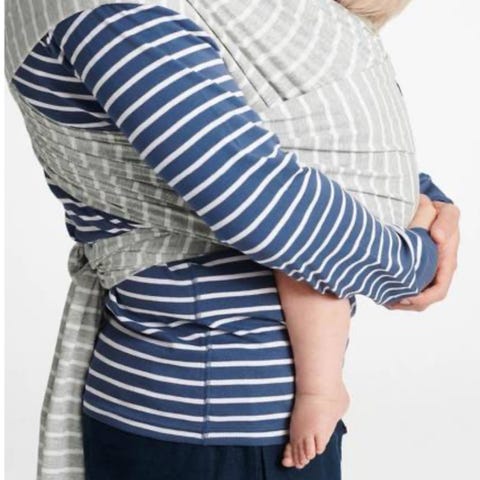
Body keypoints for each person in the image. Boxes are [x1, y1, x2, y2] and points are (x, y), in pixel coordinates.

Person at [5, 1, 460, 479]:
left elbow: (305, 137)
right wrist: (413, 257)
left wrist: (424, 201)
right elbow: (259, 199)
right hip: (218, 413)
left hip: (213, 411)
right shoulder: (115, 16)